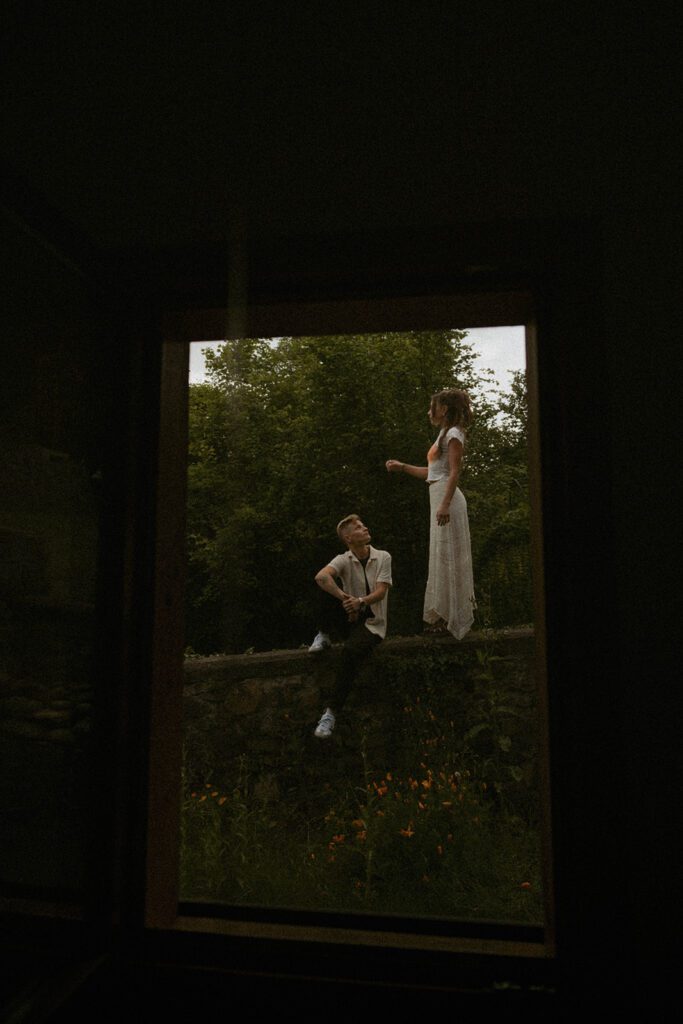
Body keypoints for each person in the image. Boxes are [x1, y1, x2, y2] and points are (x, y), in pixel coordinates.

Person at [385, 388, 475, 639]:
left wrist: (445, 504)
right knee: (440, 555)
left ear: (444, 409)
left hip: (447, 500)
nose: (429, 411)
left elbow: (454, 472)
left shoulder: (454, 433)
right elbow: (432, 473)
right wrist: (402, 467)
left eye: (432, 406)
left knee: (449, 556)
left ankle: (450, 620)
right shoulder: (443, 434)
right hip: (438, 495)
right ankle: (442, 618)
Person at [310, 515, 392, 739]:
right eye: (358, 527)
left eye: (364, 525)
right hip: (350, 614)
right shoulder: (343, 558)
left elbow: (381, 591)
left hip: (372, 624)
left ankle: (331, 713)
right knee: (324, 584)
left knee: (349, 653)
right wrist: (346, 599)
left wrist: (360, 602)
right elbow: (321, 577)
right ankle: (324, 633)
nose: (365, 528)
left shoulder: (382, 557)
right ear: (348, 538)